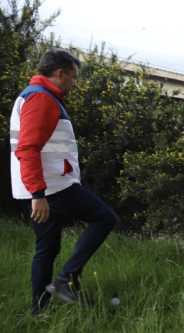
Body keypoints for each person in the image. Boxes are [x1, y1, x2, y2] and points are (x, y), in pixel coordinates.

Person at [10, 48, 118, 314]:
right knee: (105, 218)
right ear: (59, 73)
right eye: (73, 77)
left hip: (42, 187)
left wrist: (36, 192)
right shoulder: (42, 99)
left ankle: (38, 310)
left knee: (46, 250)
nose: (75, 83)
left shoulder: (33, 95)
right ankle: (65, 280)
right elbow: (28, 148)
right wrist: (38, 194)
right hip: (53, 187)